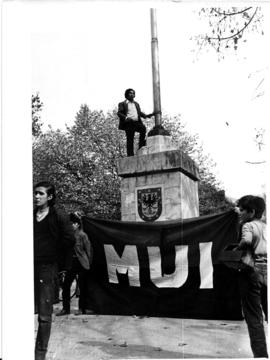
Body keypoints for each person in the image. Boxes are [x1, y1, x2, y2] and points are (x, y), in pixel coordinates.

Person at [34, 181, 75, 360]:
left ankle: (39, 356)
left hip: (48, 268)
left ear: (49, 197)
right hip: (29, 267)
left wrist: (55, 258)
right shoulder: (30, 215)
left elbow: (69, 240)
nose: (36, 196)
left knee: (44, 315)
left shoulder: (58, 216)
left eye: (40, 193)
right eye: (35, 193)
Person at [236, 195, 268, 358]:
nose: (239, 213)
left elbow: (246, 242)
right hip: (267, 270)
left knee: (254, 318)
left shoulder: (247, 225)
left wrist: (237, 248)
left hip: (251, 271)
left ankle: (261, 356)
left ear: (252, 212)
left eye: (242, 210)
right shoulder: (266, 227)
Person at [56, 212, 94, 316]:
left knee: (83, 287)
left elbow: (89, 251)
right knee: (66, 285)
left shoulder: (82, 235)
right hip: (71, 264)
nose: (70, 226)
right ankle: (65, 309)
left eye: (72, 224)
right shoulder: (67, 236)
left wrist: (88, 264)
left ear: (77, 224)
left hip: (82, 263)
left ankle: (82, 308)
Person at [117, 88, 157, 156]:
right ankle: (130, 155)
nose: (132, 94)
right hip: (129, 123)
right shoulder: (122, 103)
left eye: (133, 93)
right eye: (130, 93)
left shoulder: (136, 104)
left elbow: (139, 113)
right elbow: (119, 113)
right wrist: (126, 118)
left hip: (136, 122)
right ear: (126, 95)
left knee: (143, 129)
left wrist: (147, 115)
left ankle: (141, 147)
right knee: (130, 138)